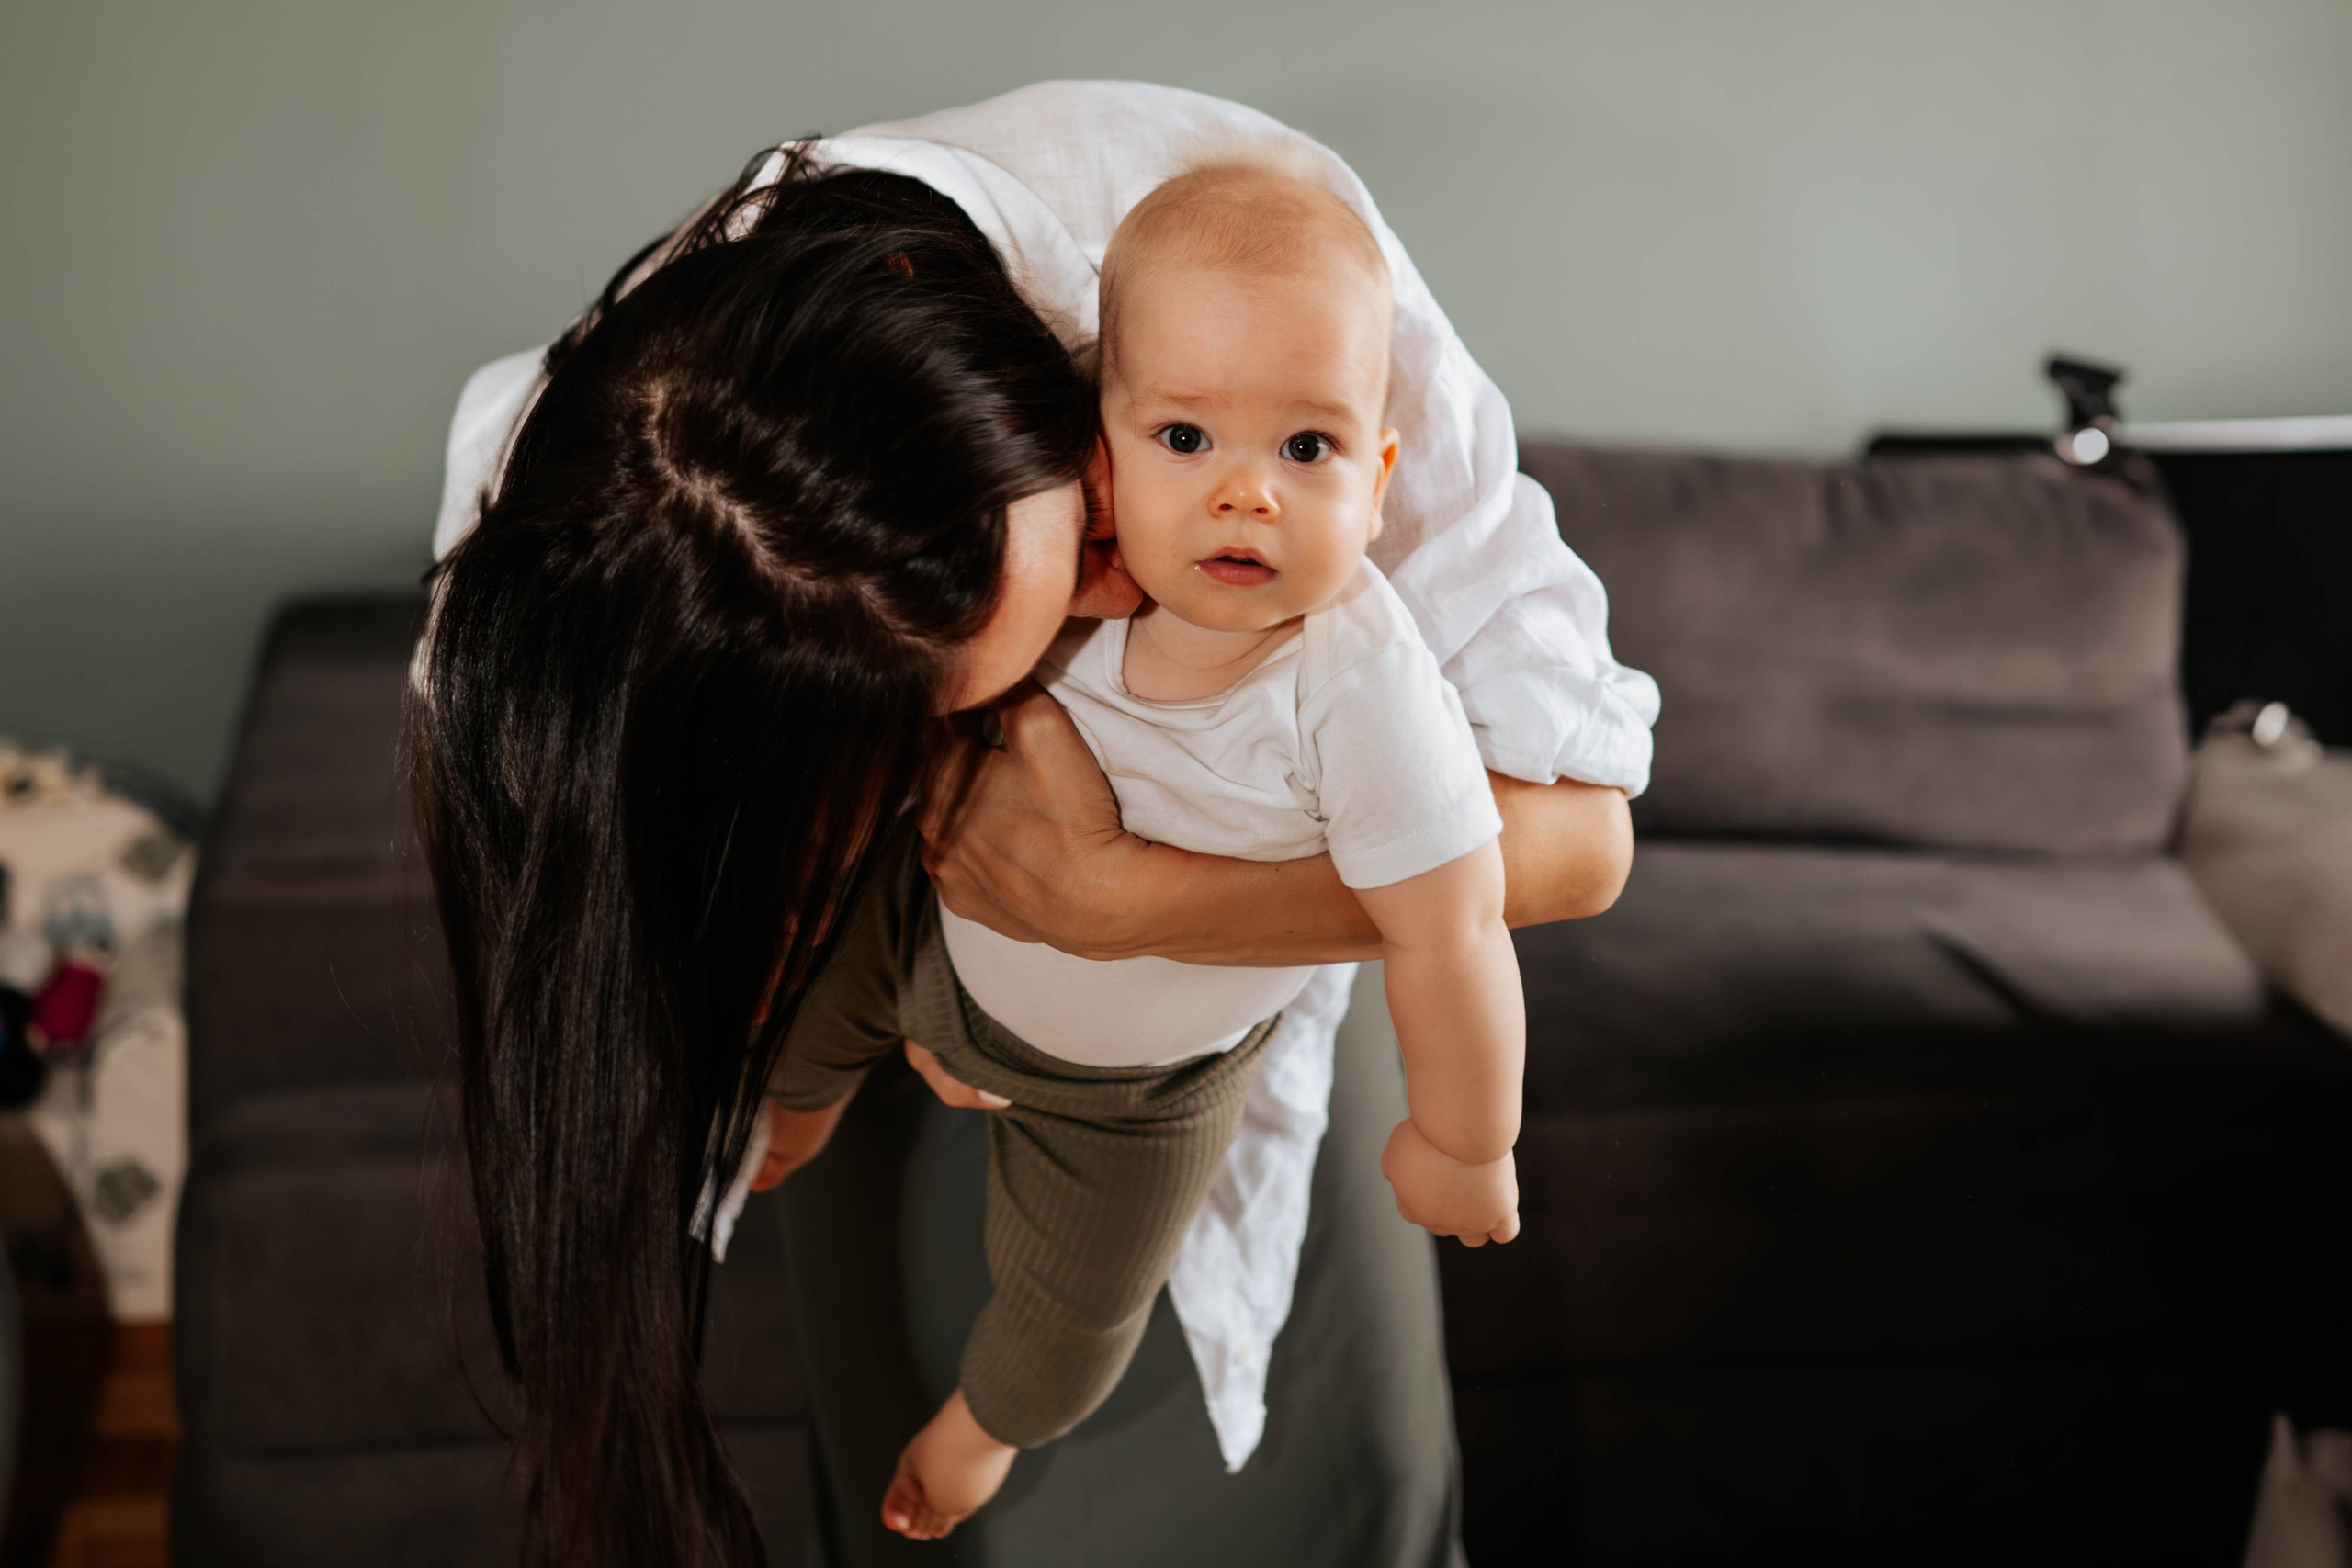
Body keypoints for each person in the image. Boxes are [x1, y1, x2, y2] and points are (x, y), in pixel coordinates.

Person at [416, 81, 1657, 1568]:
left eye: (1081, 548)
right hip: (902, 962)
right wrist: (831, 943)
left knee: (1294, 1477)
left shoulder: (1255, 295)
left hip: (1223, 1023)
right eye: (1068, 612)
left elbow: (1583, 845)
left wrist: (1137, 904)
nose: (1130, 590)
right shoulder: (611, 518)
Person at [747, 156, 1530, 1541]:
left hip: (1140, 1093)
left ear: (1380, 471)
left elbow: (1452, 926)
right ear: (1096, 451)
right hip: (934, 933)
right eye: (1187, 440)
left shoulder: (1357, 684)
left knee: (1075, 1314)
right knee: (816, 983)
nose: (1247, 497)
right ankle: (796, 1107)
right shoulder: (1057, 578)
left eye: (1308, 449)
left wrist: (1463, 1141)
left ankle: (985, 1430)